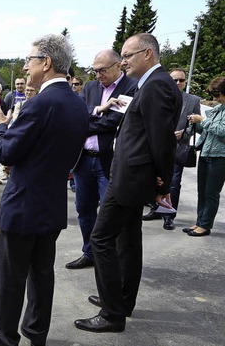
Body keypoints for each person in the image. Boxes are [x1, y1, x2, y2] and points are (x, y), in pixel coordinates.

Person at [0, 34, 88, 346]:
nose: (26, 66)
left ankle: (5, 336)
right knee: (42, 273)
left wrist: (0, 124)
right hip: (52, 202)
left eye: (30, 59)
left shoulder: (39, 103)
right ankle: (37, 333)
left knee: (12, 275)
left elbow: (7, 153)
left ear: (47, 62)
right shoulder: (78, 104)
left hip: (23, 204)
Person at [74, 33, 182, 333]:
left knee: (101, 237)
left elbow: (162, 141)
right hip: (132, 175)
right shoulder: (151, 84)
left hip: (129, 179)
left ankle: (112, 313)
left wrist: (162, 186)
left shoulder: (157, 85)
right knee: (128, 240)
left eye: (128, 55)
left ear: (147, 54)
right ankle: (121, 300)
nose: (124, 61)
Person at [65, 49, 138, 270]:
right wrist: (99, 110)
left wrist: (87, 121)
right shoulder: (90, 87)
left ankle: (110, 259)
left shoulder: (131, 87)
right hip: (84, 159)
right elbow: (78, 116)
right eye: (95, 70)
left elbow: (114, 122)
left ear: (119, 66)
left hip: (109, 161)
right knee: (84, 209)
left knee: (111, 215)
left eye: (102, 70)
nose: (98, 75)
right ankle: (90, 253)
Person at [142, 68, 202, 230]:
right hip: (155, 147)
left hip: (177, 148)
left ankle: (168, 215)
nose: (178, 83)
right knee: (154, 179)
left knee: (173, 182)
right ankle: (155, 209)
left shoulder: (193, 100)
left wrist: (183, 133)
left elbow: (195, 125)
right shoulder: (159, 97)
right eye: (174, 80)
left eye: (181, 80)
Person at [183, 77, 225, 237]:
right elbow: (208, 131)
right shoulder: (218, 109)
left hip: (220, 157)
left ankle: (205, 225)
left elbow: (222, 131)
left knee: (211, 193)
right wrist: (196, 123)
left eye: (217, 95)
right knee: (202, 191)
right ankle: (200, 221)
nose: (215, 99)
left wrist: (203, 120)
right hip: (206, 154)